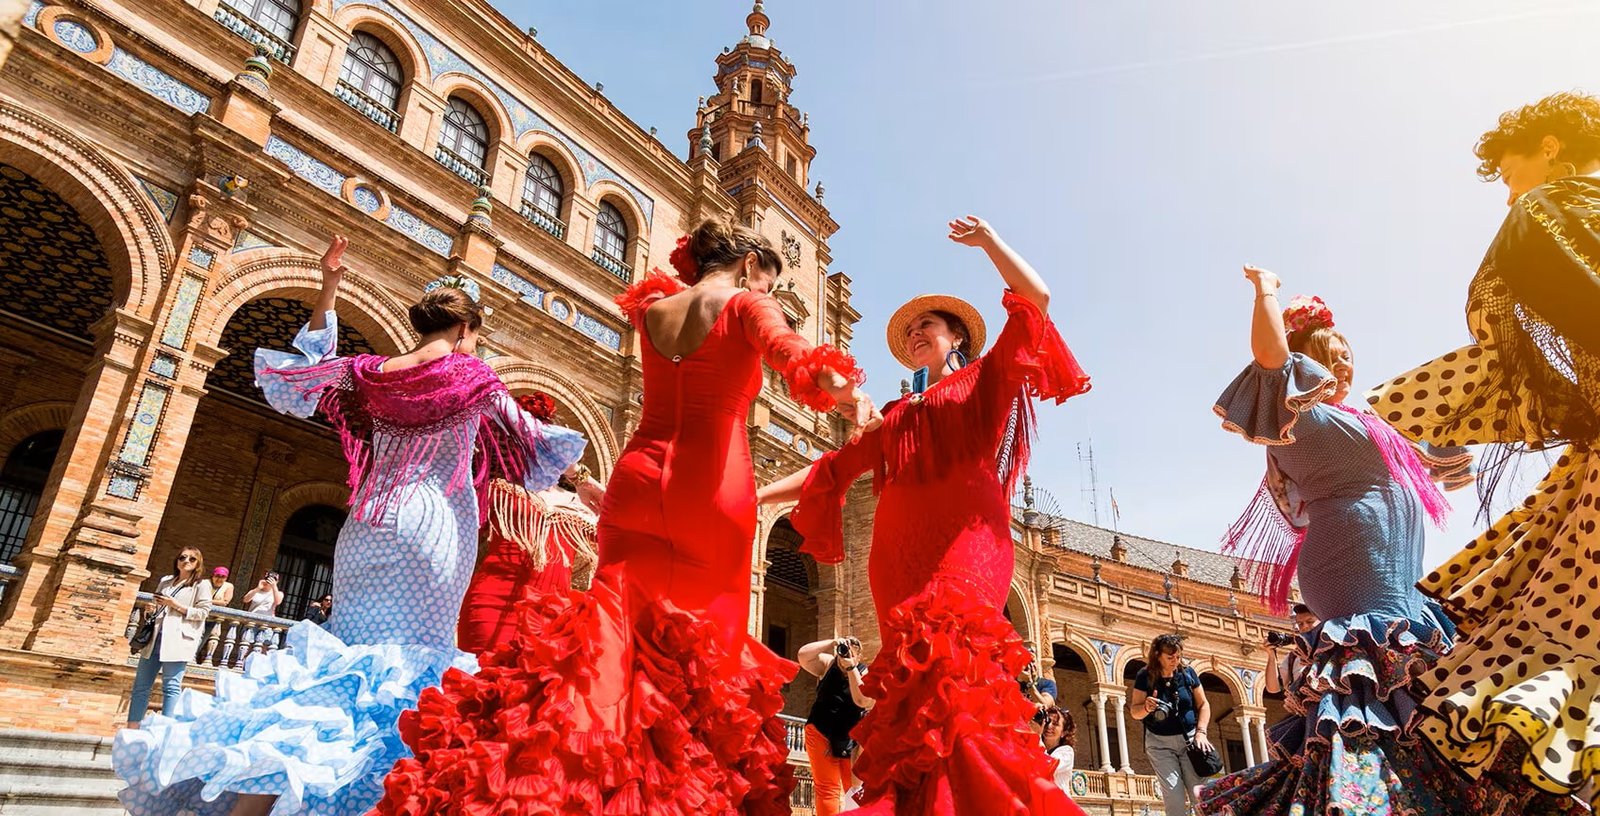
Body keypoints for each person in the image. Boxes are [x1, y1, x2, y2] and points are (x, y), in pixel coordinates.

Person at [375, 217, 879, 814]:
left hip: (634, 481)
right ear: (748, 266)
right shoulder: (747, 302)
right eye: (766, 282)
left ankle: (552, 780)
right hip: (711, 490)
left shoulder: (654, 309)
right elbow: (801, 360)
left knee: (609, 643)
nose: (765, 292)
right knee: (700, 664)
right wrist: (850, 395)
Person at [112, 234, 586, 816]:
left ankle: (257, 796)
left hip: (365, 526)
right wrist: (584, 484)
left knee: (338, 665)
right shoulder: (474, 377)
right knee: (408, 671)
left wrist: (329, 287)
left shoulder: (370, 372)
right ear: (466, 330)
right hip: (432, 527)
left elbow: (304, 372)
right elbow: (531, 439)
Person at [1199, 273, 1565, 816]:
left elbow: (1445, 443)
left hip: (1401, 581)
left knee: (1412, 697)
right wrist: (1266, 291)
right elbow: (1270, 361)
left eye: (1349, 354)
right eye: (1334, 354)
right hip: (1354, 573)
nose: (1346, 364)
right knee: (1373, 696)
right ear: (1308, 362)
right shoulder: (1300, 418)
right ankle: (1374, 800)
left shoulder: (1374, 423)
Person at [762, 215, 1092, 815]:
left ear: (956, 336)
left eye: (928, 325)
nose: (917, 333)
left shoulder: (984, 379)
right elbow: (829, 471)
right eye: (910, 329)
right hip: (897, 561)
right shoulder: (892, 414)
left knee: (960, 677)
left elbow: (1036, 302)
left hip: (967, 544)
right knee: (916, 699)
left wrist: (989, 242)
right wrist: (755, 496)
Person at [1367, 91, 1600, 811]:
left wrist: (1396, 410)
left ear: (1550, 149)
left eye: (1508, 171)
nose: (1507, 191)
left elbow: (1515, 348)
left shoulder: (1545, 212)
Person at [455, 392, 606, 655]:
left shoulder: (584, 504)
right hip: (490, 604)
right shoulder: (496, 488)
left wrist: (583, 479)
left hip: (553, 620)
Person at [127, 547, 213, 727]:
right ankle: (132, 728)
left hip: (178, 639)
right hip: (155, 638)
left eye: (191, 559)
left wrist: (175, 604)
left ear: (198, 563)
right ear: (177, 560)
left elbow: (203, 612)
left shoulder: (201, 585)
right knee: (141, 686)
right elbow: (156, 606)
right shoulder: (165, 581)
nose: (186, 561)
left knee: (171, 686)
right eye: (182, 557)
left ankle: (165, 730)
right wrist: (150, 610)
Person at [1129, 634, 1212, 816]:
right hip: (1160, 745)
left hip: (1190, 742)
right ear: (1157, 655)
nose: (1175, 661)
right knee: (1174, 798)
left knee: (1200, 796)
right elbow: (1134, 712)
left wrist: (1201, 732)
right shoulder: (1145, 676)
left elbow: (1203, 705)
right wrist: (1146, 707)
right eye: (1170, 657)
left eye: (1178, 657)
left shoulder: (1188, 673)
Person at [798, 636, 873, 816]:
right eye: (843, 651)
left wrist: (851, 668)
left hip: (850, 740)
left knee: (854, 789)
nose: (845, 656)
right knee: (826, 789)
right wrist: (832, 642)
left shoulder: (864, 673)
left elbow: (862, 701)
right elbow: (803, 655)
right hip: (820, 731)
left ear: (859, 656)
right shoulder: (828, 664)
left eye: (850, 653)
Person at [1260, 603, 1317, 698]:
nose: (1305, 626)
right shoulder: (1294, 657)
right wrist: (1271, 655)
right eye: (1300, 624)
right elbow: (1273, 688)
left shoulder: (1334, 647)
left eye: (1310, 621)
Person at [195, 566, 235, 662]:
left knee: (203, 639)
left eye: (223, 577)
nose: (219, 579)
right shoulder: (205, 583)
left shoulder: (228, 586)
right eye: (217, 576)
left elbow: (225, 602)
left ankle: (193, 656)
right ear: (212, 575)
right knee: (194, 637)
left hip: (213, 619)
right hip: (198, 616)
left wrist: (206, 601)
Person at [1040, 706, 1077, 792]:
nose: (1049, 726)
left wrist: (1037, 735)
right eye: (1048, 721)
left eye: (1055, 724)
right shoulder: (1034, 745)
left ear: (1064, 732)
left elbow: (1046, 767)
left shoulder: (1067, 752)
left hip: (1057, 799)